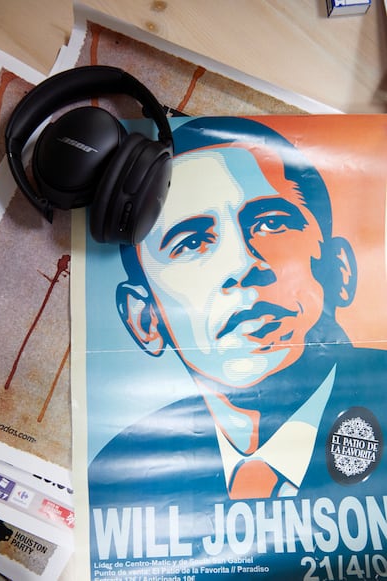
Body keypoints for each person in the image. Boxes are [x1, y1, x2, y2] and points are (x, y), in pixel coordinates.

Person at [88, 117, 387, 563]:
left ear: (339, 270)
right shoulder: (116, 476)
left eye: (270, 224)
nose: (242, 264)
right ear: (145, 319)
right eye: (190, 242)